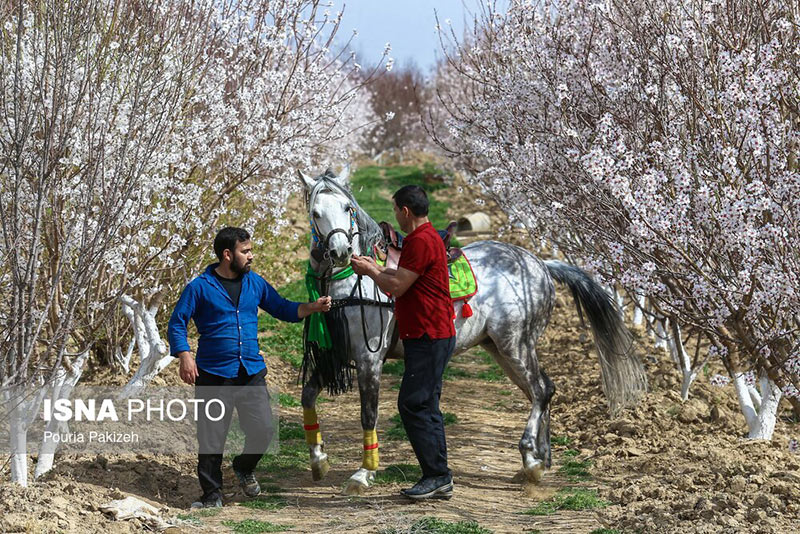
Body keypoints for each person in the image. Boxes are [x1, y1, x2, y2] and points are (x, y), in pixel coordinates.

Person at [168, 227, 331, 508]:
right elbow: (177, 322)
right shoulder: (200, 287)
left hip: (251, 371)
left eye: (251, 250)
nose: (251, 256)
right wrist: (184, 355)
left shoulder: (255, 283)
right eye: (246, 251)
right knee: (211, 437)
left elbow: (282, 307)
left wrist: (312, 308)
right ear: (227, 254)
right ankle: (212, 494)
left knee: (264, 430)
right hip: (214, 373)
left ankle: (243, 466)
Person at [350, 185, 456, 500]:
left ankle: (437, 475)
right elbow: (403, 276)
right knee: (425, 405)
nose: (394, 214)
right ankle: (438, 475)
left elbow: (397, 286)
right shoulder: (421, 239)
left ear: (404, 211)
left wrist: (370, 270)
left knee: (413, 404)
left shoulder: (422, 240)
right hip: (428, 335)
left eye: (395, 209)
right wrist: (378, 268)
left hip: (428, 336)